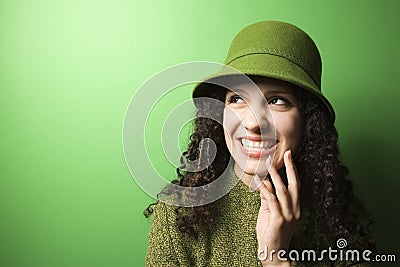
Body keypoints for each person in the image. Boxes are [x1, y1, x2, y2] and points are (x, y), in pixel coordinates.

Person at [144, 20, 375, 266]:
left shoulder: (338, 218)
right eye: (237, 99)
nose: (253, 123)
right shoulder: (179, 212)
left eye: (277, 101)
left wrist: (275, 259)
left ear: (308, 120)